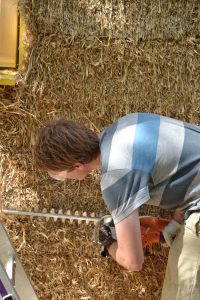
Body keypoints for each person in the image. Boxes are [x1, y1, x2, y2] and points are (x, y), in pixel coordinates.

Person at [34, 113, 200, 300]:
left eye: (60, 174)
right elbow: (190, 169)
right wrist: (177, 223)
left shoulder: (115, 175)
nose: (64, 179)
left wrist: (109, 243)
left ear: (78, 165)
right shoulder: (128, 123)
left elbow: (133, 261)